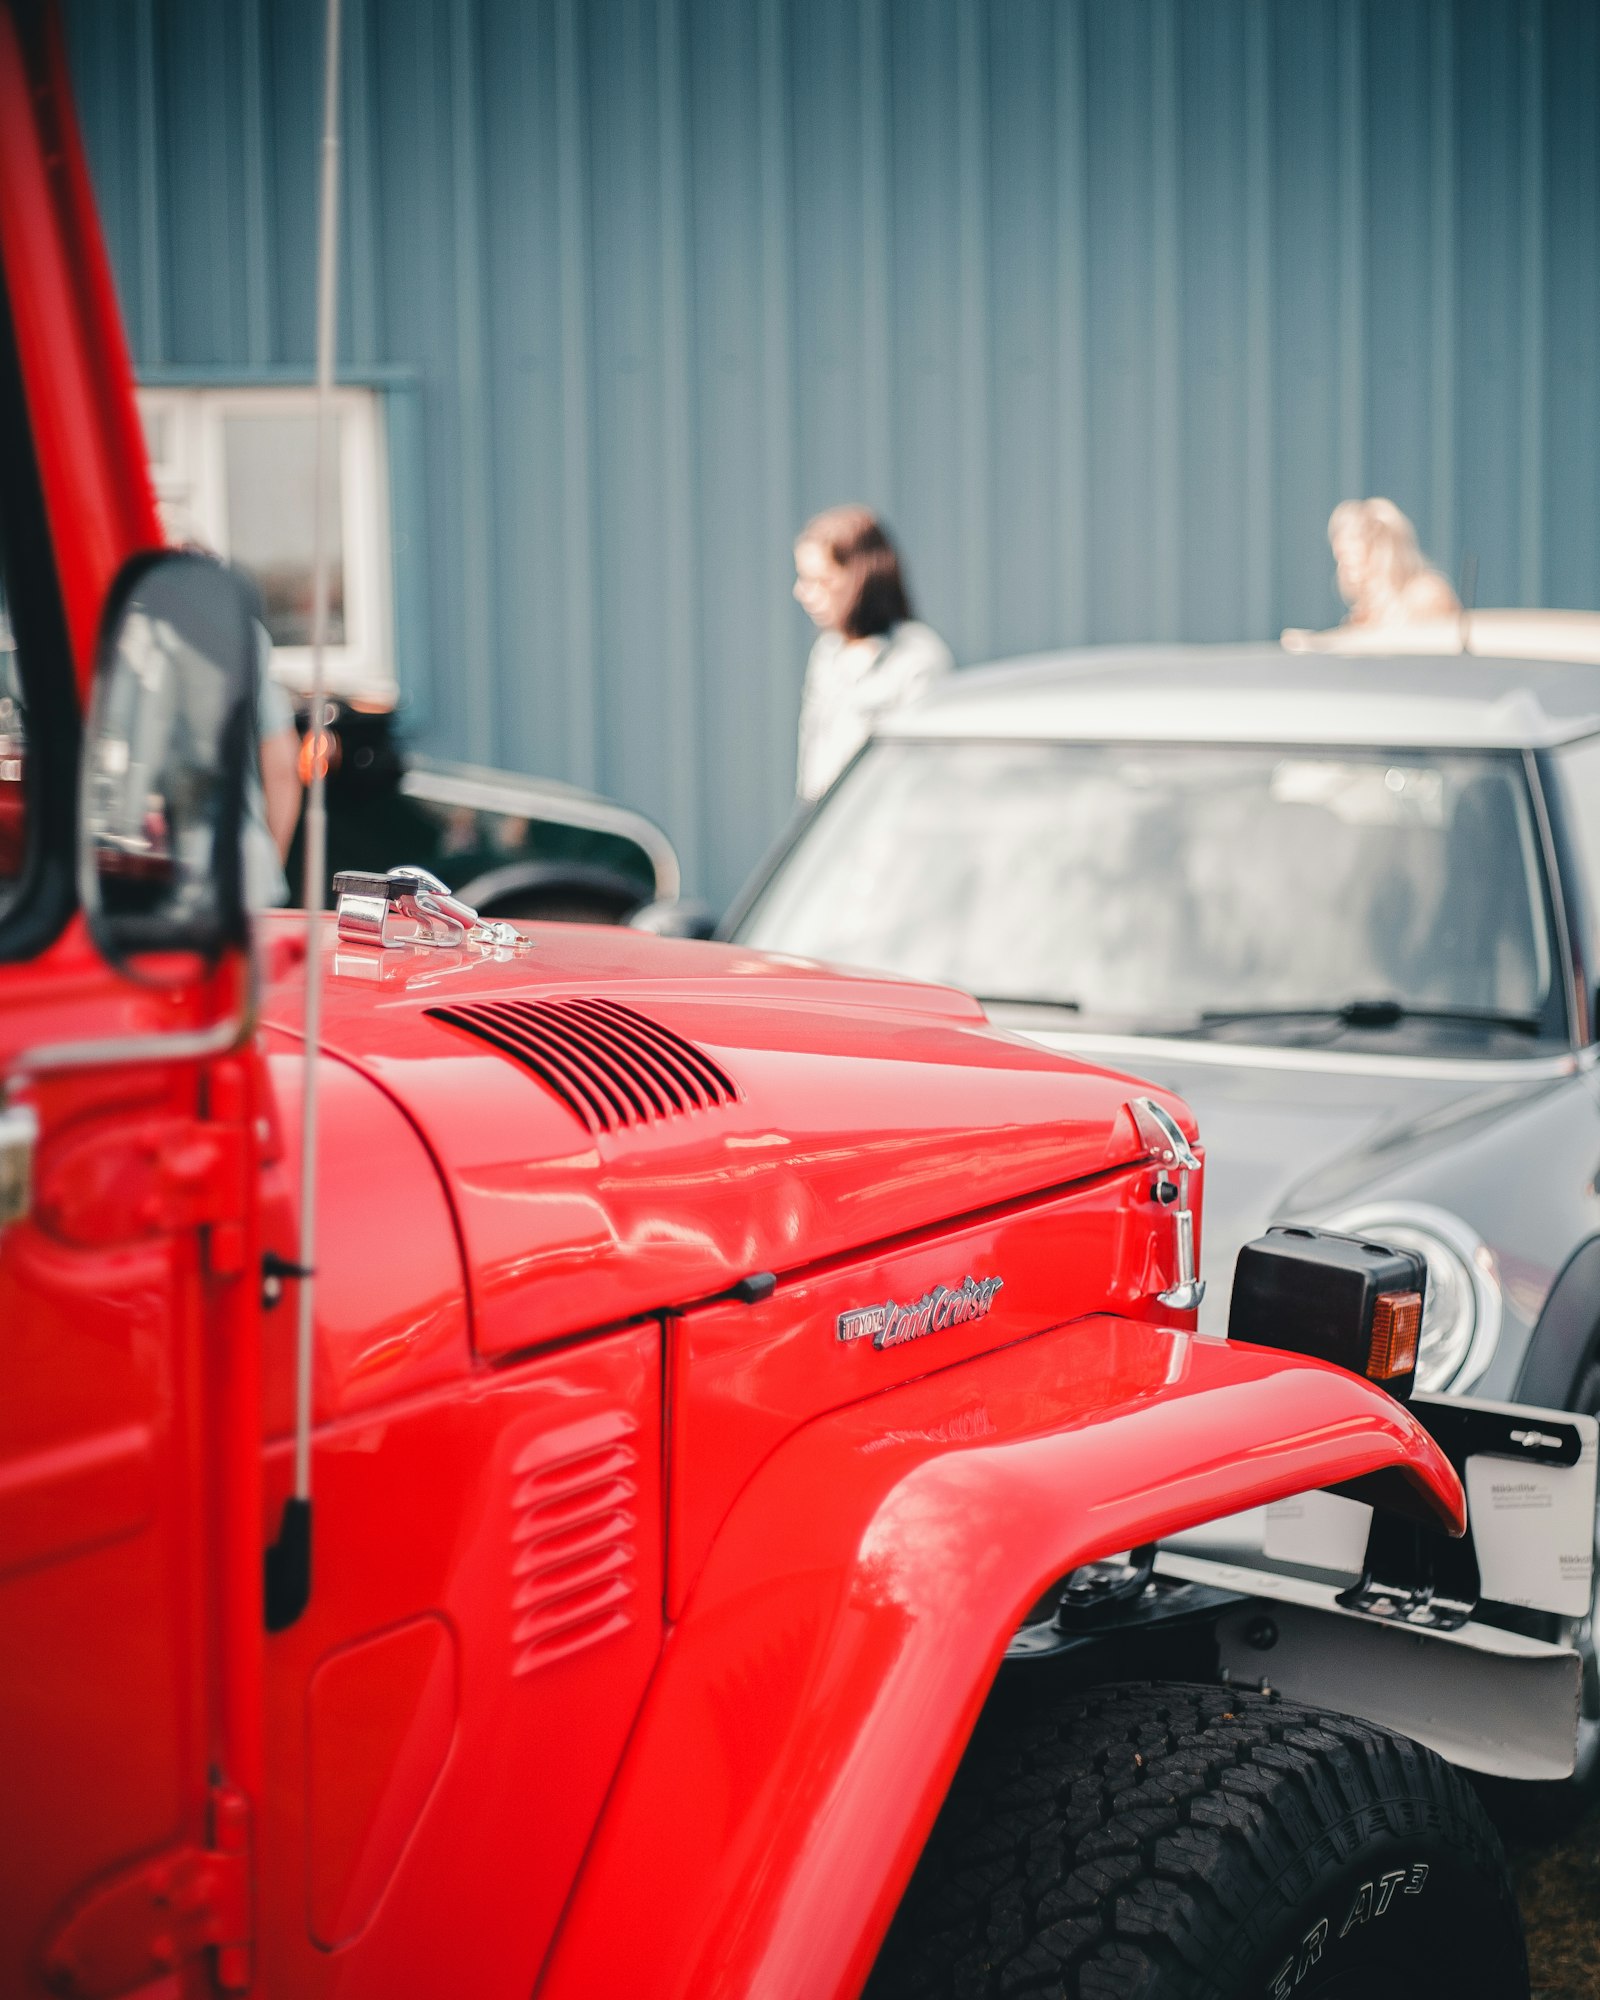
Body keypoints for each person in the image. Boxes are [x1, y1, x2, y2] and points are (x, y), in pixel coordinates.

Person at [793, 505, 953, 801]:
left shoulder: (916, 658)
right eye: (803, 579)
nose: (803, 593)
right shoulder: (827, 652)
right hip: (831, 833)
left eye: (822, 581)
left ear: (863, 578)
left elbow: (923, 773)